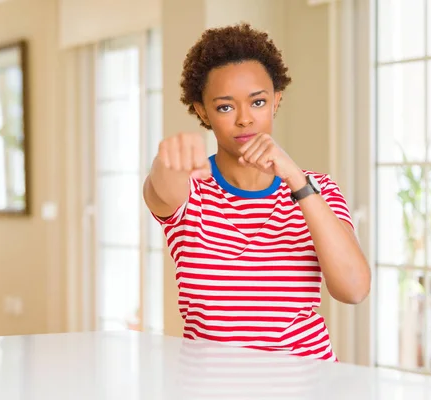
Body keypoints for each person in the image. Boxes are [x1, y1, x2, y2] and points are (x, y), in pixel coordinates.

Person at [142, 23, 371, 361]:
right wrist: (167, 159)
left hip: (307, 383)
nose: (245, 119)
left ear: (276, 101)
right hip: (210, 387)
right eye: (225, 107)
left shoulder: (317, 189)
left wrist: (295, 179)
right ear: (202, 111)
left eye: (258, 102)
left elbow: (353, 290)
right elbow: (160, 188)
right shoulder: (191, 190)